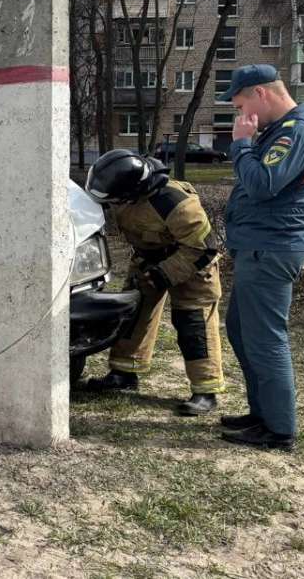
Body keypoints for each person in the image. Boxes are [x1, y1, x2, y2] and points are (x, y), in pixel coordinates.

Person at [217, 64, 304, 451]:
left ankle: (278, 429)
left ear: (260, 94)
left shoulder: (295, 132)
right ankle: (261, 414)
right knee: (242, 331)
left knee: (265, 339)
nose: (240, 115)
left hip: (272, 247)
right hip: (260, 246)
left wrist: (242, 143)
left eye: (241, 104)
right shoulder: (281, 131)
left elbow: (262, 186)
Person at [83, 149, 225, 416]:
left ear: (133, 191)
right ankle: (124, 373)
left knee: (193, 325)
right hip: (146, 262)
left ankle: (205, 390)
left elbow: (203, 249)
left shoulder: (176, 203)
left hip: (192, 267)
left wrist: (165, 273)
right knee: (131, 316)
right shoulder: (120, 188)